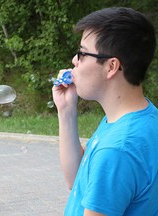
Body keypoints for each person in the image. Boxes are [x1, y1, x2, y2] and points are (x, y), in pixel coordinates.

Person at [52, 7, 157, 216]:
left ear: (111, 67)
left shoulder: (118, 148)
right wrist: (66, 111)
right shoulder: (140, 119)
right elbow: (77, 180)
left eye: (82, 53)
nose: (74, 60)